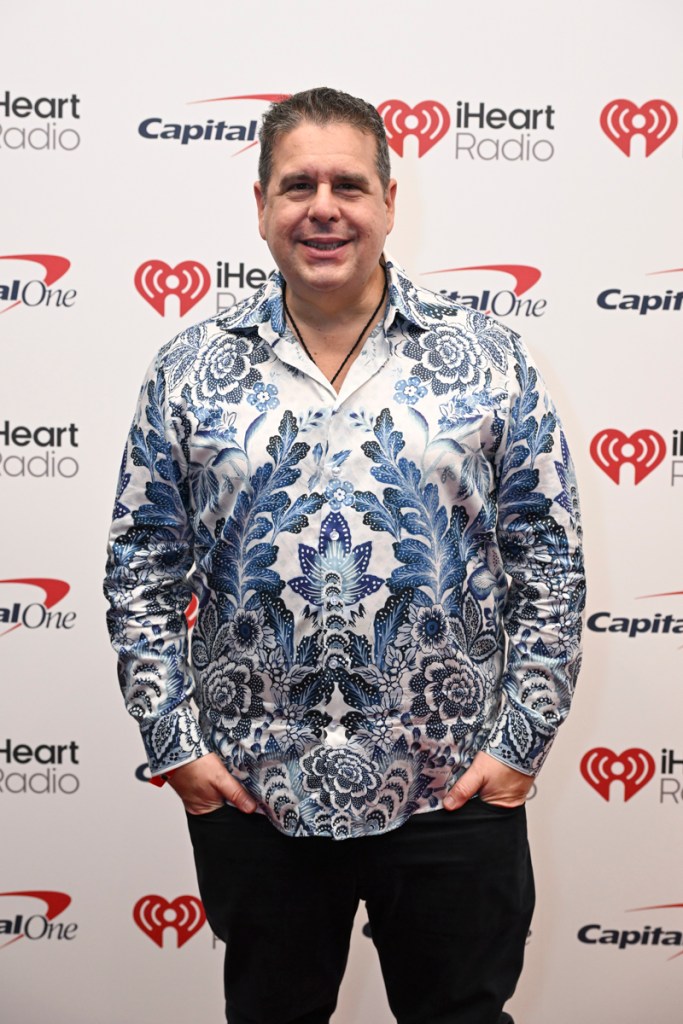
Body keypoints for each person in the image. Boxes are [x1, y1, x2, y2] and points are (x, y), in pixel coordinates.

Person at [104, 87, 585, 1024]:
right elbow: (141, 565)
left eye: (348, 184)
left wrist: (518, 744)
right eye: (297, 185)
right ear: (259, 206)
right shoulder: (187, 366)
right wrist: (177, 746)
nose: (323, 206)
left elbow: (549, 561)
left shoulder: (488, 358)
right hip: (254, 793)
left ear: (389, 202)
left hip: (451, 789)